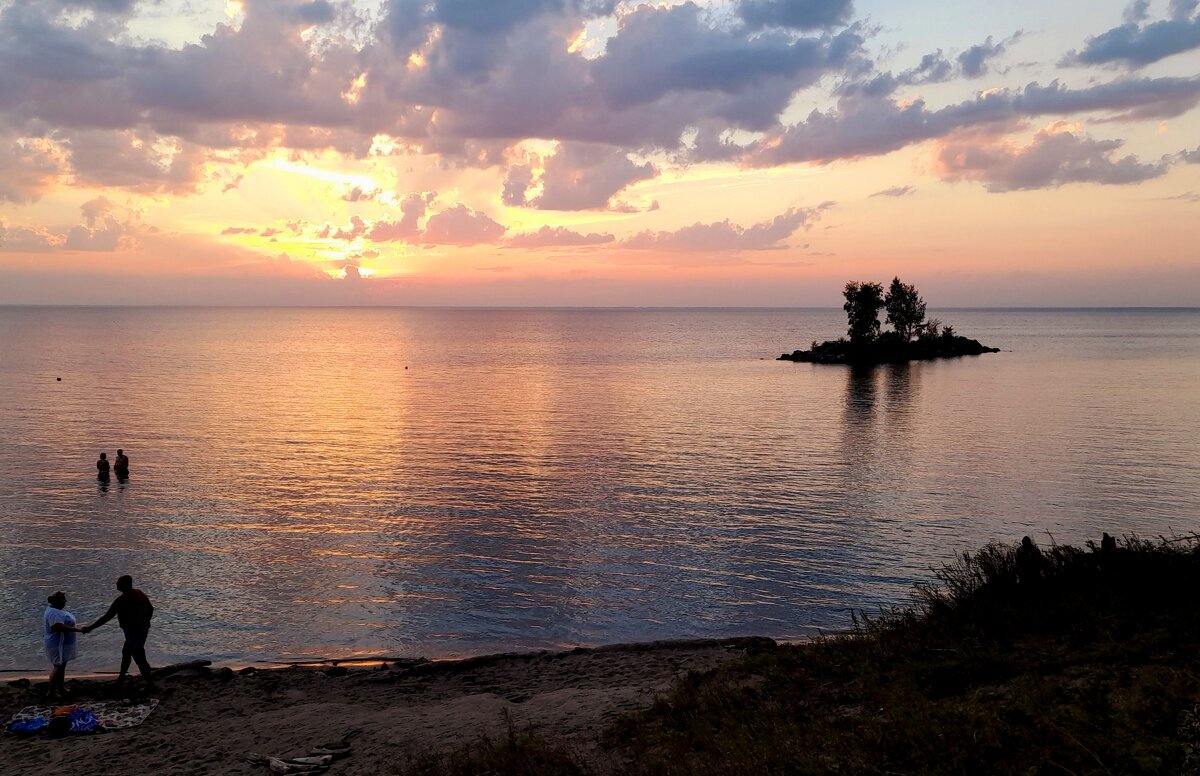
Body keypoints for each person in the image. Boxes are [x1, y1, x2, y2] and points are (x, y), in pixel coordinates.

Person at [81, 575, 156, 691]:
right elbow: (150, 609)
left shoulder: (122, 599)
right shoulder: (139, 593)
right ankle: (120, 681)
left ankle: (150, 685)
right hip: (139, 631)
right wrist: (146, 623)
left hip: (134, 632)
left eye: (118, 583)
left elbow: (107, 617)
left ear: (125, 585)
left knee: (139, 657)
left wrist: (90, 628)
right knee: (126, 653)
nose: (116, 584)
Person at [44, 592, 82, 700]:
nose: (65, 602)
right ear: (58, 602)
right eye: (63, 600)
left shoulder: (55, 610)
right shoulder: (54, 613)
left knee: (62, 665)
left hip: (62, 644)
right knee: (57, 666)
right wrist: (77, 630)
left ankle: (61, 687)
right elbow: (58, 627)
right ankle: (51, 691)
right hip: (56, 644)